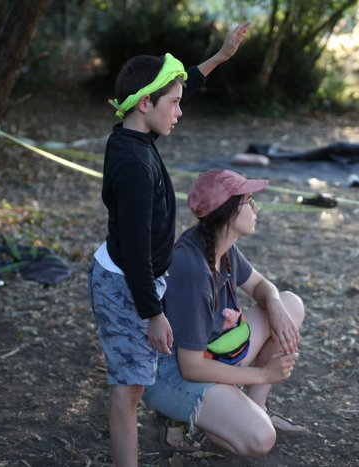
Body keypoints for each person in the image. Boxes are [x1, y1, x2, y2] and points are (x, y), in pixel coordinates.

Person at [87, 23, 251, 467]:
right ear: (145, 104)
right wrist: (154, 314)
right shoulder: (136, 167)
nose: (180, 111)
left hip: (130, 277)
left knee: (136, 379)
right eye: (174, 104)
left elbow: (173, 92)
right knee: (128, 389)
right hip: (127, 285)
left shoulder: (134, 134)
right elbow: (137, 253)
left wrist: (218, 57)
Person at [142, 169, 308, 457]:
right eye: (250, 201)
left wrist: (276, 307)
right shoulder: (192, 270)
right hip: (173, 374)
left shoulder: (219, 243)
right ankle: (187, 416)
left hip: (216, 350)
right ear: (229, 213)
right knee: (259, 440)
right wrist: (263, 373)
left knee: (290, 303)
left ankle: (256, 409)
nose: (257, 208)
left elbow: (260, 284)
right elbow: (190, 367)